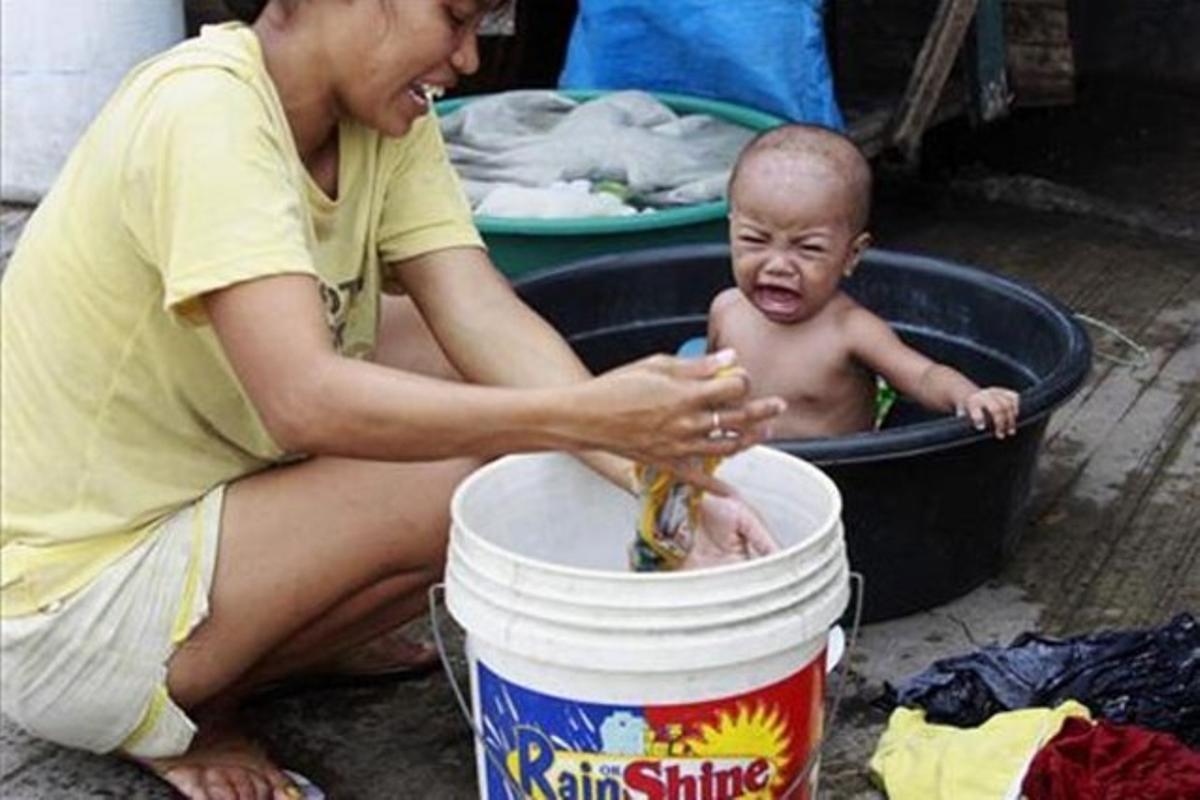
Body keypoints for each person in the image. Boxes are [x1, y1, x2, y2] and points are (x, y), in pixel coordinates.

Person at [0, 2, 786, 798]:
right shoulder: (205, 112)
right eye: (453, 17)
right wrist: (586, 416)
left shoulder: (379, 119)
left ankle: (279, 632)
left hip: (196, 509)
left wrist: (661, 479)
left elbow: (481, 316)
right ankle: (188, 709)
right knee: (483, 473)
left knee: (457, 362)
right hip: (68, 620)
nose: (469, 59)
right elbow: (302, 400)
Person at [708, 124, 1020, 441]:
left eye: (809, 248)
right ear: (731, 231)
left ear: (852, 254)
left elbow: (923, 376)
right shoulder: (726, 310)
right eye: (754, 240)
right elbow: (703, 390)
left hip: (839, 467)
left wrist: (969, 397)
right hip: (737, 461)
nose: (778, 266)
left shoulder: (852, 331)